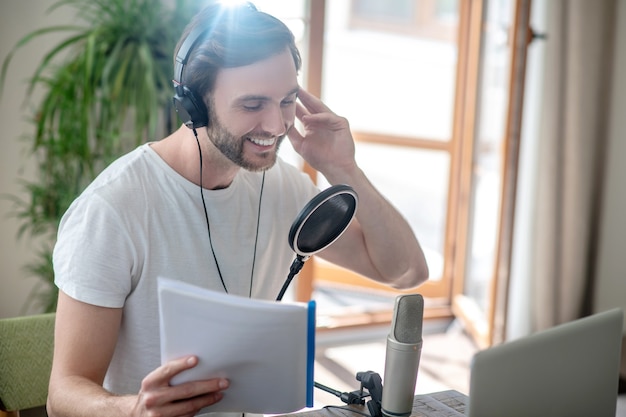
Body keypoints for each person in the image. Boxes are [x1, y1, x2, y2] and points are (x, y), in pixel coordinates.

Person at [46, 2, 429, 417]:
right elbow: (62, 396)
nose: (277, 124)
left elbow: (404, 271)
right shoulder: (113, 211)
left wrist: (343, 167)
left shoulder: (280, 185)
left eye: (286, 101)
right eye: (252, 105)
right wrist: (133, 410)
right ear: (192, 102)